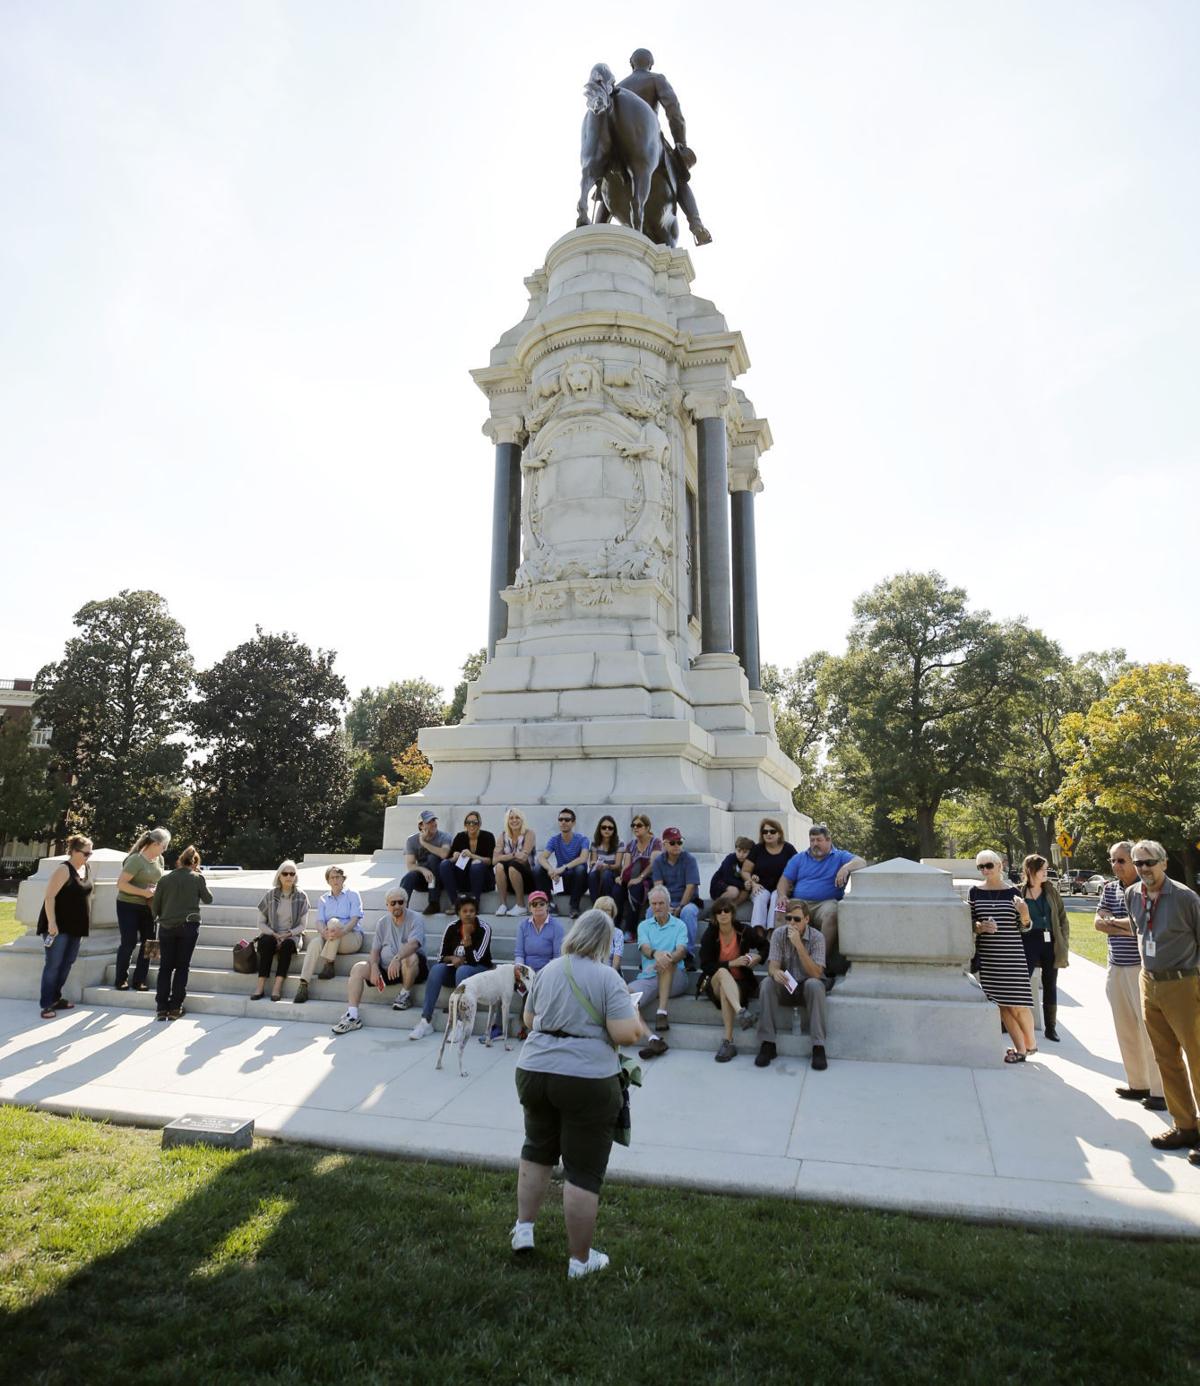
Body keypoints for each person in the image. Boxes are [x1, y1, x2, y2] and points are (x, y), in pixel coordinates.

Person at [512, 909, 648, 1278]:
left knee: (537, 1148)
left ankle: (524, 1229)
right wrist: (631, 1014)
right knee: (582, 1171)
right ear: (605, 942)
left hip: (534, 1070)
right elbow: (626, 1034)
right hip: (586, 1079)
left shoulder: (549, 970)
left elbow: (528, 1020)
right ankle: (579, 1261)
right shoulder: (607, 977)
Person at [1124, 840, 1200, 1161]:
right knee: (1165, 1059)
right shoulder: (1132, 895)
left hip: (1184, 984)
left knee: (1198, 1059)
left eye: (1149, 862)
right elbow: (1139, 932)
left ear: (1164, 863)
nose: (1144, 869)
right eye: (1138, 863)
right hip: (1149, 982)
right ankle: (1184, 1125)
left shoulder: (1185, 898)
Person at [1094, 841, 1165, 1109]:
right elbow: (1098, 921)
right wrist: (1119, 924)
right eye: (1113, 860)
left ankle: (1159, 1091)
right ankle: (1138, 1083)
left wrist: (1115, 923)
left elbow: (1143, 925)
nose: (1116, 866)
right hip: (1116, 967)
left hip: (1141, 967)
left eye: (1122, 860)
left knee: (1150, 1031)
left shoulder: (1145, 889)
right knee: (1125, 1028)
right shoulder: (1110, 888)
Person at [616, 49, 711, 245]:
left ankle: (594, 220)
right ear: (650, 64)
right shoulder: (656, 79)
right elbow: (674, 111)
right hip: (649, 138)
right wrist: (680, 143)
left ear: (631, 63)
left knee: (604, 182)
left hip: (618, 143)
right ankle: (696, 224)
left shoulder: (618, 87)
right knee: (680, 178)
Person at [332, 888, 428, 1034]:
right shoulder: (382, 922)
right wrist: (375, 966)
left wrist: (397, 958)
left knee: (410, 957)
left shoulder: (416, 918)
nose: (397, 906)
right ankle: (352, 1015)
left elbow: (414, 944)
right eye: (393, 903)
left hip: (411, 969)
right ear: (387, 905)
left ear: (406, 903)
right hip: (386, 969)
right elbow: (375, 950)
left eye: (400, 902)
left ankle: (405, 995)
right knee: (358, 968)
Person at [970, 850, 1035, 1063]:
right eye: (981, 867)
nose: (985, 870)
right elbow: (970, 923)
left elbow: (1025, 927)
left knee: (1019, 1003)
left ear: (1000, 866)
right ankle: (1021, 1050)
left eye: (989, 865)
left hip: (1012, 954)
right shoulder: (974, 892)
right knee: (1002, 1004)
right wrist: (980, 927)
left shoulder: (1013, 892)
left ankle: (1031, 1044)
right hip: (990, 956)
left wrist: (1025, 913)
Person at [775, 824, 866, 971]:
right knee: (779, 908)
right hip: (799, 902)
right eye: (812, 840)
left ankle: (819, 963)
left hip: (825, 903)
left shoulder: (839, 856)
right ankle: (781, 962)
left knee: (832, 913)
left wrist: (845, 868)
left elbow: (861, 862)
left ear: (828, 840)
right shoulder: (799, 858)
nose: (814, 844)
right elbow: (784, 880)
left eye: (818, 840)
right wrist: (782, 895)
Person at [754, 901, 829, 1070]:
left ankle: (818, 1046)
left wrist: (799, 945)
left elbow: (817, 973)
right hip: (787, 987)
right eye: (788, 919)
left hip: (807, 989)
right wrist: (775, 972)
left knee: (815, 985)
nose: (792, 923)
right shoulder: (778, 934)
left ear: (807, 919)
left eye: (797, 919)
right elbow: (772, 966)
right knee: (767, 983)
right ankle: (768, 1043)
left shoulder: (817, 938)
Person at [408, 894, 494, 1040]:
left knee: (463, 969)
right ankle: (425, 1021)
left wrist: (467, 938)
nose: (468, 914)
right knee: (436, 969)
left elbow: (476, 959)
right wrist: (452, 958)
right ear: (459, 913)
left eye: (471, 911)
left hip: (479, 972)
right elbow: (441, 957)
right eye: (464, 911)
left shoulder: (484, 929)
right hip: (456, 972)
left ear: (476, 912)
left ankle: (460, 1024)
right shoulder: (452, 928)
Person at [698, 900, 767, 1062]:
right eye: (719, 911)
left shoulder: (744, 931)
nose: (723, 914)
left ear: (732, 913)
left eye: (726, 910)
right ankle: (741, 1012)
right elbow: (706, 965)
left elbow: (765, 945)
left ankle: (728, 1042)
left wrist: (759, 956)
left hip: (740, 984)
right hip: (713, 981)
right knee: (722, 972)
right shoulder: (710, 934)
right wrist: (732, 963)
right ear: (714, 916)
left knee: (725, 990)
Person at [150, 845, 212, 1021]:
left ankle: (161, 1008)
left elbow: (155, 906)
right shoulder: (197, 878)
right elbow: (209, 899)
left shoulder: (165, 879)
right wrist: (200, 877)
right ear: (195, 863)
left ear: (179, 861)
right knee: (182, 966)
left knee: (165, 968)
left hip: (166, 927)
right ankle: (176, 1007)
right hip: (188, 926)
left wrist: (160, 918)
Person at [628, 885, 690, 1058]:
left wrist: (665, 958)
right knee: (624, 996)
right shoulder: (644, 926)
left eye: (661, 903)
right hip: (648, 977)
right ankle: (653, 1039)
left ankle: (661, 1012)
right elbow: (645, 947)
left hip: (676, 977)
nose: (657, 907)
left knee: (667, 962)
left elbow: (681, 951)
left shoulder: (679, 925)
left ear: (668, 904)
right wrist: (656, 954)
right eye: (654, 904)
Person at [36, 835, 93, 1020]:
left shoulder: (86, 867)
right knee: (53, 964)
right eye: (86, 853)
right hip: (58, 926)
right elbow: (49, 897)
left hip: (77, 926)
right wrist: (52, 923)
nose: (89, 856)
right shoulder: (63, 869)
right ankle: (46, 1004)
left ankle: (55, 997)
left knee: (68, 962)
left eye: (91, 853)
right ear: (74, 851)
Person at [1019, 854, 1070, 1042]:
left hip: (1050, 940)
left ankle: (1051, 1027)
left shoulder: (1051, 891)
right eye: (1043, 869)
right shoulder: (1019, 893)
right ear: (1031, 871)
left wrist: (1063, 939)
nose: (1046, 873)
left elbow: (1062, 917)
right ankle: (1016, 1022)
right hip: (1028, 940)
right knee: (1022, 983)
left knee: (1050, 983)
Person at [114, 827, 171, 991]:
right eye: (164, 846)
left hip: (149, 906)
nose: (165, 850)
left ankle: (140, 979)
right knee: (129, 941)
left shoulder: (159, 859)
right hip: (128, 905)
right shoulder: (136, 860)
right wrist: (144, 893)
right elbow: (121, 884)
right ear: (154, 843)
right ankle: (121, 979)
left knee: (151, 943)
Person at [298, 866, 364, 991]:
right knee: (314, 943)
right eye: (331, 878)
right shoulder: (323, 899)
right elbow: (319, 921)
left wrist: (342, 931)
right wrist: (324, 933)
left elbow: (355, 919)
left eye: (338, 877)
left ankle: (329, 964)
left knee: (333, 922)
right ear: (328, 881)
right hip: (331, 937)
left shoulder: (353, 894)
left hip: (351, 938)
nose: (335, 880)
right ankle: (303, 984)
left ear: (343, 879)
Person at [253, 860, 309, 1002]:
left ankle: (277, 987)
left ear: (296, 876)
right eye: (285, 873)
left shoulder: (302, 896)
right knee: (265, 942)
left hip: (292, 935)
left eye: (292, 874)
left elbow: (303, 926)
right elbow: (260, 923)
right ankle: (260, 987)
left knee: (287, 946)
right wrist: (274, 934)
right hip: (272, 933)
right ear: (279, 876)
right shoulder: (270, 895)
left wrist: (287, 934)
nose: (289, 876)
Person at [649, 827, 701, 956]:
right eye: (672, 843)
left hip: (688, 901)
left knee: (688, 912)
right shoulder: (658, 862)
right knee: (651, 912)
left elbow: (691, 887)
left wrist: (680, 906)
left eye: (679, 842)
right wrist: (666, 906)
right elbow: (658, 888)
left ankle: (687, 953)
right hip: (667, 901)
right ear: (664, 844)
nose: (677, 845)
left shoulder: (690, 860)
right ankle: (653, 953)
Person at [536, 808, 590, 918]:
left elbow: (583, 858)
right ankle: (549, 904)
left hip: (578, 882)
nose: (563, 822)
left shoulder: (582, 839)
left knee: (580, 868)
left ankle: (574, 907)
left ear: (573, 822)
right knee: (538, 868)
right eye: (560, 819)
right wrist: (551, 869)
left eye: (567, 819)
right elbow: (541, 857)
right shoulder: (554, 840)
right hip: (560, 882)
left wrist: (564, 867)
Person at [744, 819, 798, 928]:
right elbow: (745, 871)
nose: (768, 834)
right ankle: (757, 932)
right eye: (765, 832)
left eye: (772, 831)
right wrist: (752, 884)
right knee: (760, 897)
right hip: (761, 886)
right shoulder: (757, 849)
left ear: (779, 833)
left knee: (776, 897)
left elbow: (798, 868)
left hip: (781, 888)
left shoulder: (788, 849)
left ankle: (772, 931)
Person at [438, 812, 495, 912]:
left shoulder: (488, 837)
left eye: (475, 822)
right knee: (444, 864)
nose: (471, 825)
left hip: (483, 880)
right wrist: (454, 857)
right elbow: (449, 859)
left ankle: (475, 905)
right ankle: (455, 904)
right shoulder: (460, 837)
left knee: (476, 865)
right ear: (465, 825)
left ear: (479, 824)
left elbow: (490, 861)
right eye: (468, 822)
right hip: (463, 879)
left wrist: (472, 856)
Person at [616, 814, 662, 937]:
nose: (635, 828)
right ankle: (615, 926)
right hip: (633, 877)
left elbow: (653, 865)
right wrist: (621, 877)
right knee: (617, 889)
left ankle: (630, 931)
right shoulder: (631, 845)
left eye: (639, 825)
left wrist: (639, 878)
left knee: (635, 889)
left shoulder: (656, 843)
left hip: (650, 878)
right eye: (633, 825)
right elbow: (626, 865)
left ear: (647, 827)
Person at [402, 811, 453, 915]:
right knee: (409, 876)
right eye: (429, 822)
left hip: (440, 880)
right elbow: (410, 865)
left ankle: (434, 903)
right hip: (425, 879)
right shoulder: (411, 840)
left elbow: (444, 854)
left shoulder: (444, 837)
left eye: (434, 820)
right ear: (421, 826)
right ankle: (401, 907)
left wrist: (424, 843)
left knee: (433, 858)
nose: (433, 823)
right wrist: (423, 870)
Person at [494, 808, 536, 916]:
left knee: (513, 866)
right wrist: (513, 855)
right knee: (499, 866)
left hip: (527, 879)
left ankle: (521, 906)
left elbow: (523, 858)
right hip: (509, 880)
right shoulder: (503, 836)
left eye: (517, 817)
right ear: (507, 821)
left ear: (522, 820)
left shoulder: (529, 833)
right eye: (511, 818)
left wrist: (504, 857)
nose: (514, 820)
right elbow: (494, 859)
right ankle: (503, 905)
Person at [709, 836, 755, 915]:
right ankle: (715, 909)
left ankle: (730, 910)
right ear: (735, 850)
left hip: (737, 886)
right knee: (734, 892)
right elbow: (727, 878)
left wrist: (751, 881)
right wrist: (744, 885)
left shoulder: (750, 862)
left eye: (745, 852)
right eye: (739, 851)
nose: (741, 854)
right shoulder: (730, 858)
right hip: (719, 884)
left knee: (746, 892)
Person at [588, 816, 623, 907]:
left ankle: (608, 905)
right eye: (603, 827)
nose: (607, 830)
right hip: (599, 872)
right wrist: (593, 863)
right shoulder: (595, 843)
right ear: (599, 829)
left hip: (613, 872)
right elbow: (593, 861)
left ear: (614, 830)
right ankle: (595, 905)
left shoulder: (619, 843)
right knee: (592, 875)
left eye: (610, 828)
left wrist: (606, 866)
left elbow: (618, 865)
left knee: (607, 874)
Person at [592, 895, 627, 973]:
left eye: (608, 910)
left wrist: (610, 976)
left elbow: (617, 959)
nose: (605, 913)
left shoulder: (618, 933)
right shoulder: (590, 931)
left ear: (612, 912)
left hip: (610, 972)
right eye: (602, 910)